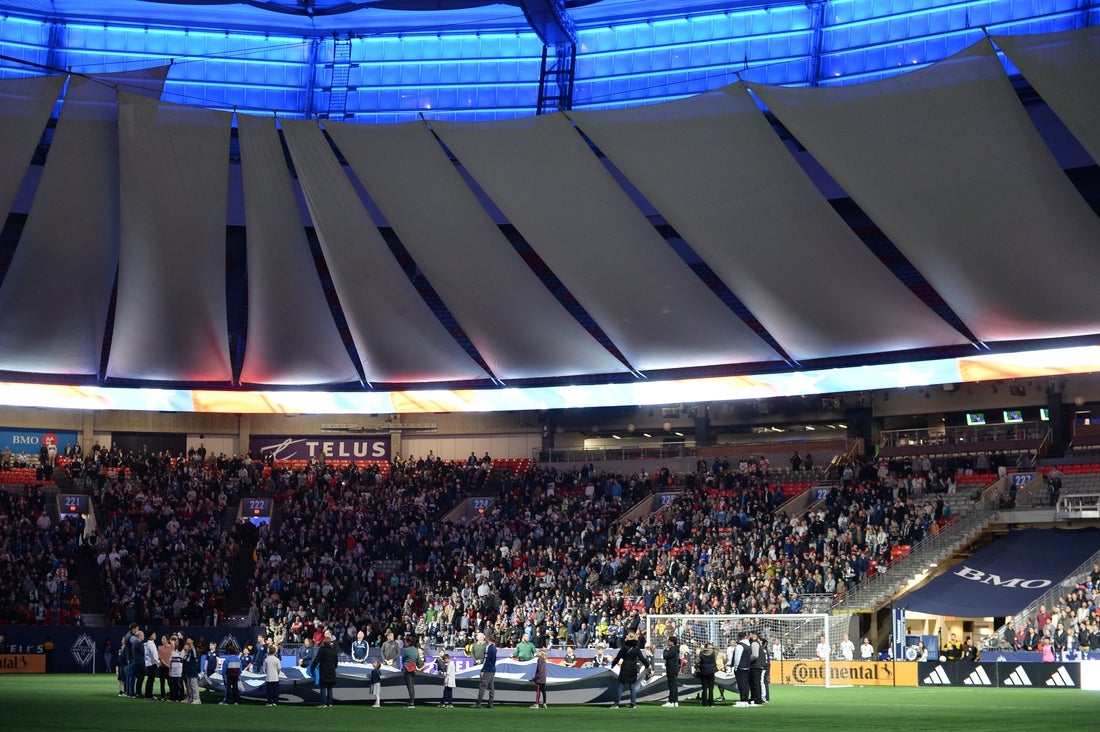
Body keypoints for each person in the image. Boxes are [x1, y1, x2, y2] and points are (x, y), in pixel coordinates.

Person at [609, 631, 650, 709]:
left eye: (627, 636)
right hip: (633, 668)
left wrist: (613, 665)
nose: (626, 636)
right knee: (632, 686)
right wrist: (648, 665)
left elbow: (618, 657)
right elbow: (642, 658)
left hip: (625, 667)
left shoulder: (625, 647)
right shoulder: (636, 648)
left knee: (620, 685)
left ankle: (616, 704)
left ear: (630, 637)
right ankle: (633, 704)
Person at [309, 632, 339, 708]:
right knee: (330, 688)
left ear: (324, 642)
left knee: (323, 687)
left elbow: (317, 659)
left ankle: (323, 703)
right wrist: (334, 667)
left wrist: (312, 667)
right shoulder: (333, 651)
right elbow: (336, 662)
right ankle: (330, 703)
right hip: (331, 670)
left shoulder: (322, 650)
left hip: (323, 670)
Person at [475, 633, 497, 708]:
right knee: (491, 687)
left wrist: (483, 670)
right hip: (492, 669)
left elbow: (486, 660)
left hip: (487, 670)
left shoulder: (488, 647)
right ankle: (490, 703)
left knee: (482, 686)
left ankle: (478, 703)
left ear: (488, 639)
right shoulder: (494, 648)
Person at [694, 641, 718, 707]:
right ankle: (711, 703)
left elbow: (697, 662)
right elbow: (717, 648)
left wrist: (703, 649)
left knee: (704, 688)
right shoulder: (714, 652)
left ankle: (704, 703)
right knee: (711, 688)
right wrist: (711, 647)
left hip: (703, 671)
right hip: (711, 671)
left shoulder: (701, 653)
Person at [400, 635, 421, 708]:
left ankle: (411, 703)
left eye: (405, 642)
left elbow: (403, 659)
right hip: (413, 669)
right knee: (412, 686)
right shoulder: (415, 649)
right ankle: (412, 701)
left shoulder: (406, 650)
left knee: (409, 687)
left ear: (409, 642)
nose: (405, 643)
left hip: (407, 669)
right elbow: (418, 661)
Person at [732, 631, 752, 707]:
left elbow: (737, 658)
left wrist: (735, 667)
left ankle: (743, 700)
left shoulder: (739, 646)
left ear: (739, 637)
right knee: (746, 684)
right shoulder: (748, 645)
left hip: (740, 667)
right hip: (747, 667)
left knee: (741, 684)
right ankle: (746, 699)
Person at [662, 635, 681, 707]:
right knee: (674, 685)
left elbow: (665, 656)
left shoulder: (673, 649)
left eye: (669, 641)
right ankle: (675, 701)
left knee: (672, 685)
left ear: (672, 642)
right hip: (674, 668)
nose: (668, 642)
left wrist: (665, 650)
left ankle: (671, 701)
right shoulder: (676, 649)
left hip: (671, 668)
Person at [749, 631, 766, 706]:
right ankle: (754, 699)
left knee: (755, 683)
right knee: (755, 683)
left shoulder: (754, 643)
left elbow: (755, 655)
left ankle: (757, 700)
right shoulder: (756, 643)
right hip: (758, 666)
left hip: (755, 666)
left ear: (753, 635)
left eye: (750, 635)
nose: (749, 636)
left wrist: (747, 660)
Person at [182, 637, 201, 704]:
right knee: (189, 685)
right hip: (188, 670)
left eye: (189, 639)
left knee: (194, 685)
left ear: (192, 641)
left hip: (193, 670)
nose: (187, 640)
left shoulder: (194, 650)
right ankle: (192, 698)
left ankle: (197, 699)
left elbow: (196, 660)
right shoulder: (189, 650)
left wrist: (197, 669)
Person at [143, 631, 159, 699]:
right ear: (150, 636)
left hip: (148, 663)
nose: (155, 635)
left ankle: (148, 694)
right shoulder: (151, 644)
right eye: (154, 634)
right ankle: (149, 695)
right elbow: (154, 654)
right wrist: (158, 662)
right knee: (151, 680)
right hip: (152, 664)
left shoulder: (146, 643)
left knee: (150, 679)